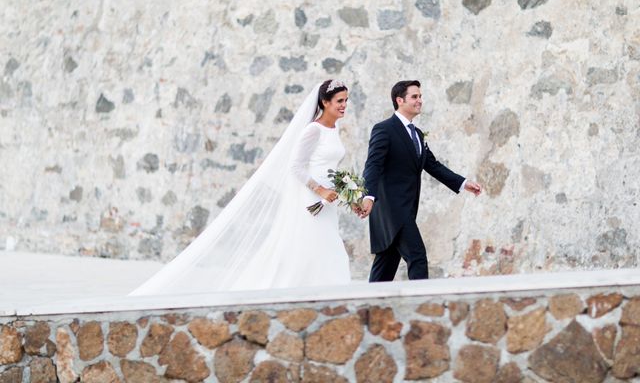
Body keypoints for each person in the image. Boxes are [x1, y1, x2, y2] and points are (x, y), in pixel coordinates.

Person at [130, 80, 351, 295]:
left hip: (327, 199)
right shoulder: (313, 130)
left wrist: (349, 192)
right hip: (310, 198)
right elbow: (296, 167)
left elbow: (329, 166)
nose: (343, 105)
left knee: (323, 245)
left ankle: (323, 293)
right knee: (314, 244)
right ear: (324, 102)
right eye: (339, 100)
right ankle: (309, 292)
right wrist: (319, 189)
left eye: (346, 100)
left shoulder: (334, 129)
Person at [360, 80, 481, 282]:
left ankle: (368, 309)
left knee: (385, 267)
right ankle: (423, 306)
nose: (420, 101)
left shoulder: (416, 133)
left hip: (406, 208)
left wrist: (463, 183)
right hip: (392, 210)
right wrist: (368, 196)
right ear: (400, 100)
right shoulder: (384, 129)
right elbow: (373, 165)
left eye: (420, 96)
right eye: (414, 97)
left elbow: (432, 165)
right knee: (417, 256)